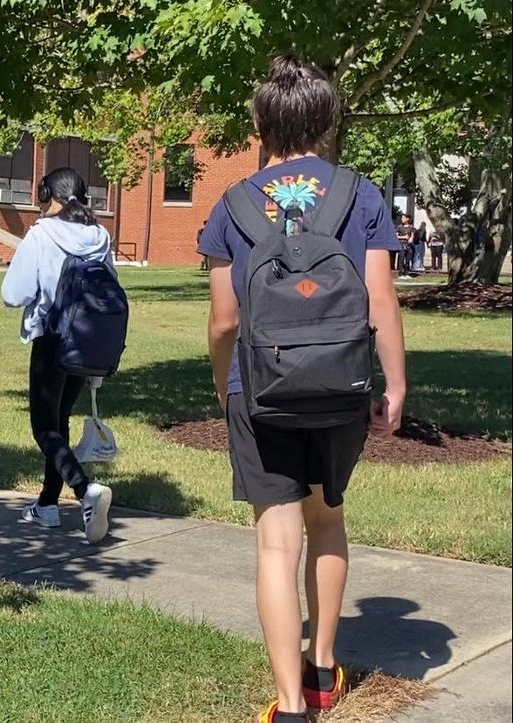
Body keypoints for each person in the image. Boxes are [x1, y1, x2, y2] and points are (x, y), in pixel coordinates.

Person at [199, 55, 406, 723]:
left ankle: (290, 706)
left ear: (260, 121)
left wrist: (223, 383)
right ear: (326, 119)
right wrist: (394, 383)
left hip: (258, 392)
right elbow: (379, 299)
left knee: (277, 542)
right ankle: (324, 670)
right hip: (342, 386)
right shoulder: (361, 194)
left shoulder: (232, 204)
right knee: (328, 522)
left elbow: (225, 319)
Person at [0, 166, 116, 543]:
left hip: (51, 339)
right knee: (60, 422)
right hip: (88, 341)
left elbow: (12, 294)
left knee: (44, 428)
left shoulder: (41, 235)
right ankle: (47, 506)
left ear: (45, 194)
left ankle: (86, 492)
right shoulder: (100, 235)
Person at [395, 214, 414, 278]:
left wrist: (411, 238)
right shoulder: (399, 227)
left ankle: (407, 273)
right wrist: (404, 237)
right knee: (401, 259)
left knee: (408, 259)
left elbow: (412, 235)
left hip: (408, 245)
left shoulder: (411, 227)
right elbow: (396, 236)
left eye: (403, 218)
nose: (402, 219)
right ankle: (401, 273)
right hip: (401, 244)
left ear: (407, 219)